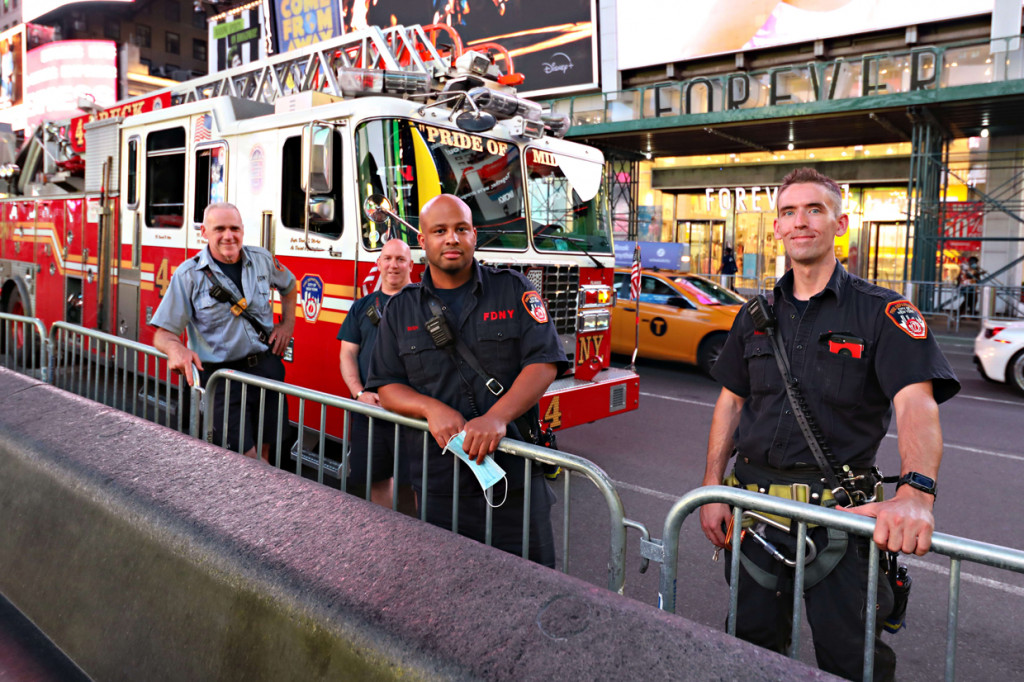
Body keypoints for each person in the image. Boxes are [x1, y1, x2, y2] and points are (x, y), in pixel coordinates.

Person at [698, 168, 959, 681]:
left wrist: (916, 494)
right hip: (755, 515)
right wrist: (711, 485)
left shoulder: (884, 312)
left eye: (815, 210)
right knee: (749, 651)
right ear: (775, 227)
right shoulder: (753, 314)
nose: (801, 222)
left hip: (840, 520)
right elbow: (730, 402)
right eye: (790, 212)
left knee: (852, 660)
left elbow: (916, 405)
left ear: (839, 223)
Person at [366, 194, 568, 567]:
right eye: (439, 231)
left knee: (532, 591)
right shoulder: (401, 308)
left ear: (474, 235)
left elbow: (544, 363)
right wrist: (430, 408)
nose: (452, 239)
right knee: (446, 593)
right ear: (423, 242)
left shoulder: (513, 287)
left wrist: (497, 417)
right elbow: (386, 385)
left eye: (461, 229)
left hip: (517, 479)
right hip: (439, 484)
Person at [152, 202, 297, 461]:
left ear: (243, 231)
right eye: (220, 229)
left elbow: (289, 286)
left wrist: (287, 325)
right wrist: (177, 349)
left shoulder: (262, 259)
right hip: (223, 380)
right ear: (204, 233)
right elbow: (163, 334)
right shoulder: (189, 275)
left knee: (266, 452)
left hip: (265, 369)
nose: (228, 236)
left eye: (234, 228)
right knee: (245, 459)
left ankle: (265, 501)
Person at [337, 238, 414, 508]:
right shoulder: (361, 307)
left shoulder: (425, 305)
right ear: (378, 263)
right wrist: (359, 393)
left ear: (411, 265)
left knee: (413, 483)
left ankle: (414, 538)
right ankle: (385, 540)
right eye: (388, 259)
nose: (394, 265)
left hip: (411, 413)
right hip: (370, 411)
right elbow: (347, 354)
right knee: (376, 479)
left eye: (400, 259)